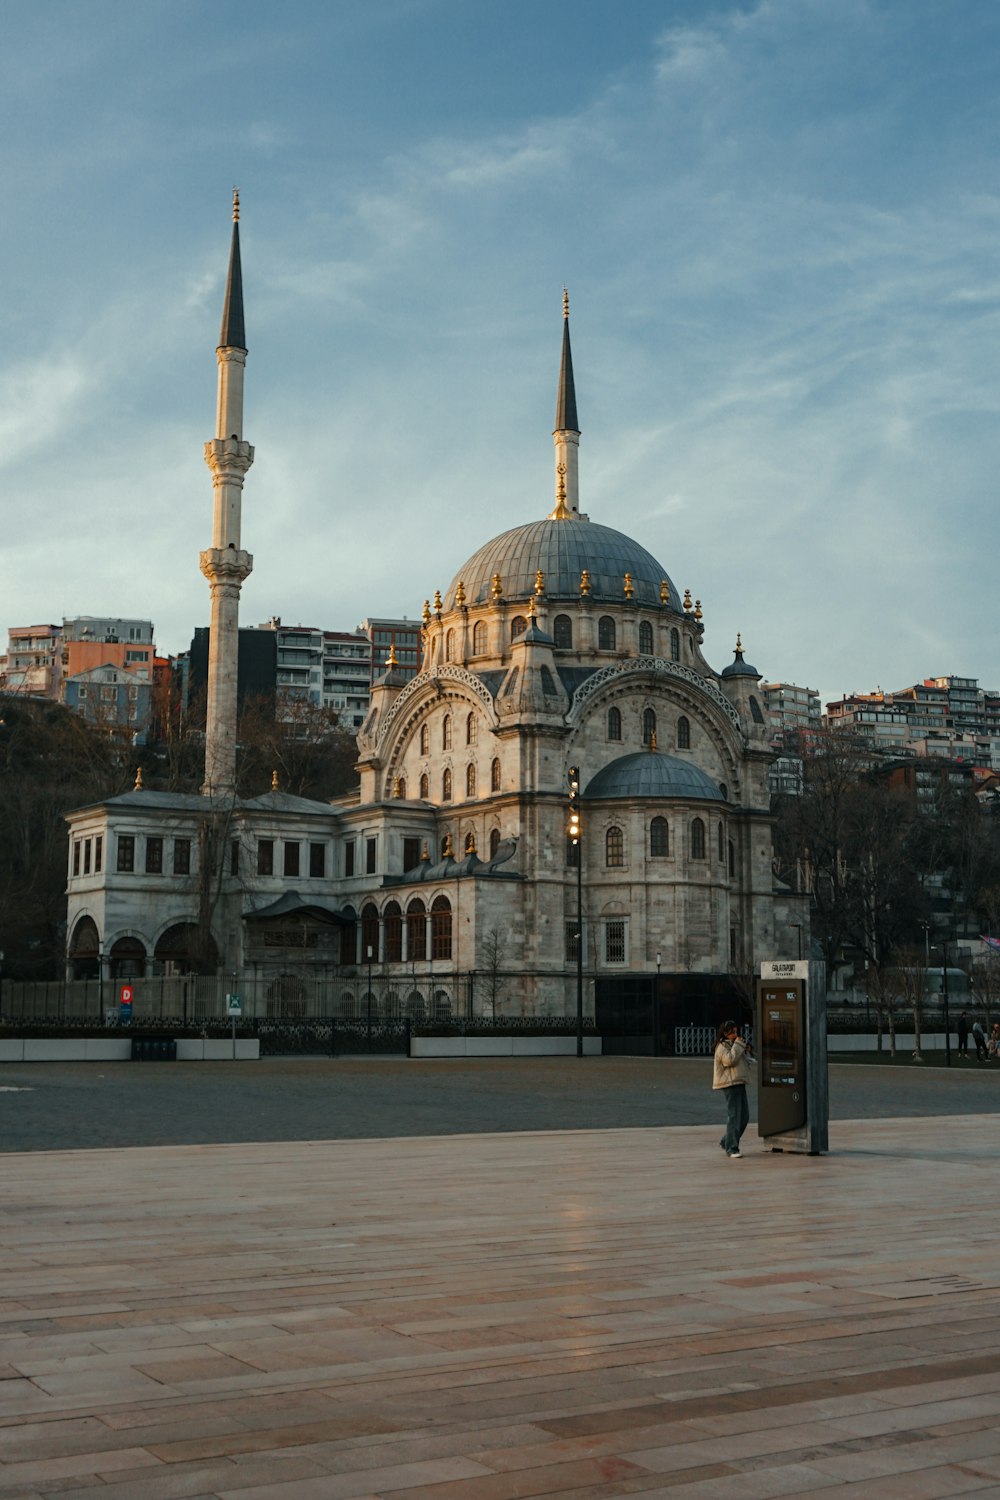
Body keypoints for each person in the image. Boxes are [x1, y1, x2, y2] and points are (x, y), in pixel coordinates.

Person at [713, 1020, 753, 1158]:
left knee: (744, 1116)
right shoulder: (722, 1046)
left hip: (739, 1082)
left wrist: (746, 1049)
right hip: (730, 1084)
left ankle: (726, 1141)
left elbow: (742, 1060)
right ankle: (732, 1148)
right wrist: (738, 1044)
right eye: (733, 1032)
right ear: (725, 1033)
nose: (736, 1035)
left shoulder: (734, 1044)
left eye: (736, 1032)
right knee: (734, 1116)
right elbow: (729, 1060)